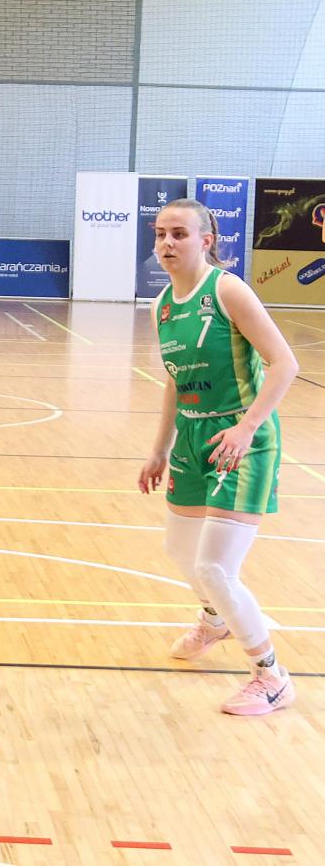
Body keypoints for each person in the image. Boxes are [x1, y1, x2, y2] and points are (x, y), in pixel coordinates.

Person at [138, 199, 299, 716]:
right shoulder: (162, 304)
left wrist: (247, 427)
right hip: (191, 436)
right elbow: (174, 381)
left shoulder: (227, 290)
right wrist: (160, 448)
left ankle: (271, 677)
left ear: (206, 240)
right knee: (180, 549)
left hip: (241, 436)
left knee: (214, 566)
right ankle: (215, 620)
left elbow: (284, 363)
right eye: (160, 233)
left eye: (179, 234)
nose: (166, 243)